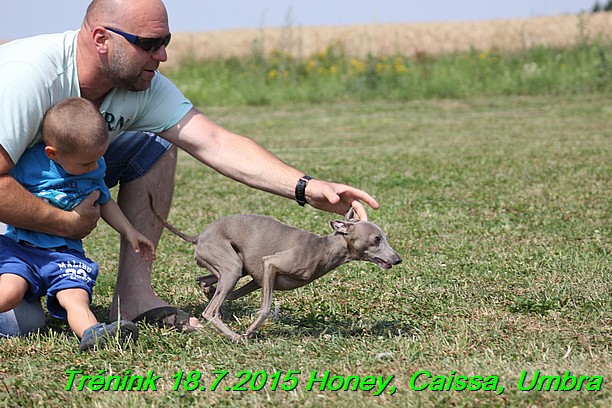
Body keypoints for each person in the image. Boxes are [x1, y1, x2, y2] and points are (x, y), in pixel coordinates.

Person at [0, 0, 379, 337]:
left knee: (156, 144)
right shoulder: (29, 77)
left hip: (42, 190)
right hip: (11, 211)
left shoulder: (141, 85)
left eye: (166, 41)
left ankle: (133, 297)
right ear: (102, 38)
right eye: (148, 44)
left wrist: (307, 187)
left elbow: (214, 141)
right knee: (23, 323)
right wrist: (65, 222)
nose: (161, 55)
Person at [0, 97, 156, 351]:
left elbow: (104, 199)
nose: (96, 167)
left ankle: (94, 334)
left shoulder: (94, 166)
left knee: (75, 297)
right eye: (86, 163)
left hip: (65, 254)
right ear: (53, 153)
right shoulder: (29, 165)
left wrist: (129, 230)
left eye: (99, 159)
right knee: (8, 293)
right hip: (22, 248)